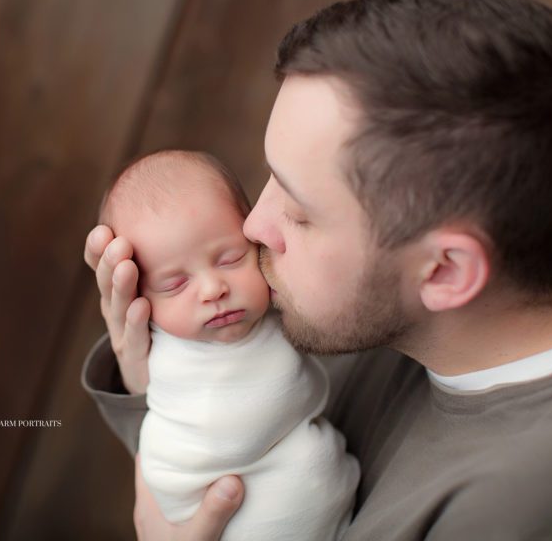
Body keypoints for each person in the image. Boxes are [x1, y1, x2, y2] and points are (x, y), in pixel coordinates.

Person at [82, 0, 552, 540]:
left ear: (447, 271)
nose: (254, 226)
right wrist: (151, 372)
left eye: (300, 213)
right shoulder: (396, 302)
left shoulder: (543, 504)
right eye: (270, 180)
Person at [93, 149, 359, 540]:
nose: (213, 289)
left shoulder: (293, 308)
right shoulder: (165, 358)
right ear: (141, 300)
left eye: (231, 258)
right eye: (174, 284)